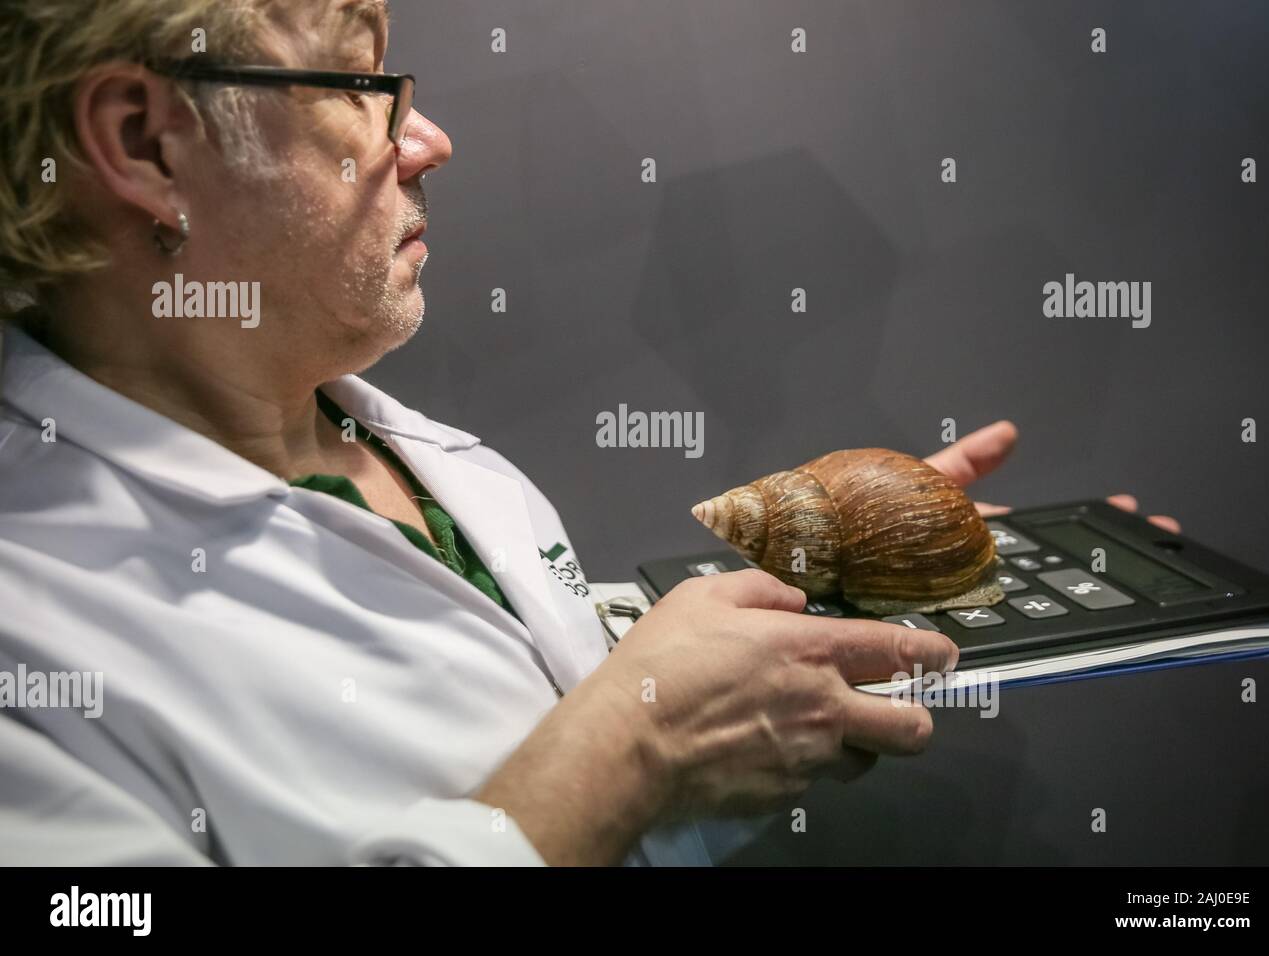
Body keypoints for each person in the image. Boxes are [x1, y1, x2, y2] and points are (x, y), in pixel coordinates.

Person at [0, 0, 1179, 866]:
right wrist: (634, 741)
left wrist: (849, 586)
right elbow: (600, 759)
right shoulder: (32, 641)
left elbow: (579, 780)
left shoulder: (446, 471)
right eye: (362, 87)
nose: (427, 141)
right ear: (148, 144)